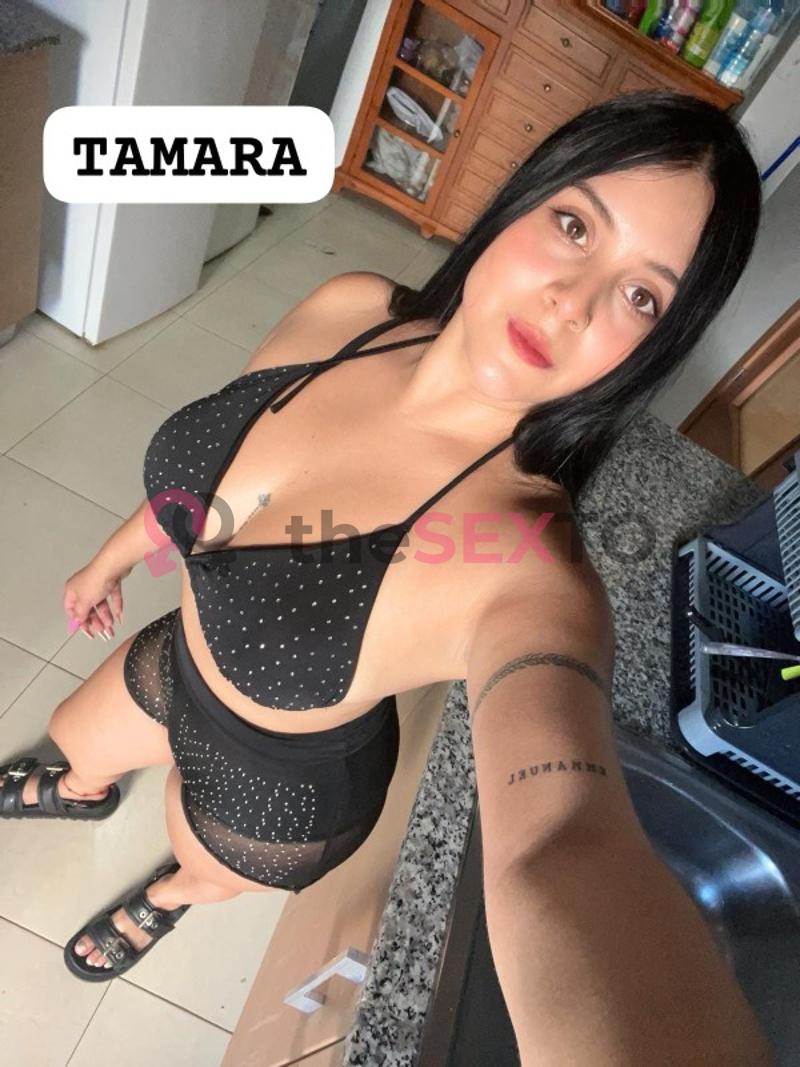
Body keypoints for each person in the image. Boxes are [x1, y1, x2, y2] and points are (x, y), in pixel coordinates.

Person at [0, 89, 774, 1060]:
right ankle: (81, 790)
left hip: (271, 796)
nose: (571, 301)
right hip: (177, 657)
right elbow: (213, 487)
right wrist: (113, 557)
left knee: (196, 858)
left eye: (639, 296)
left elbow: (559, 843)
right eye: (575, 225)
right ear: (522, 197)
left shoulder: (525, 558)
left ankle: (168, 896)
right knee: (77, 738)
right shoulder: (351, 308)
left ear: (656, 344)